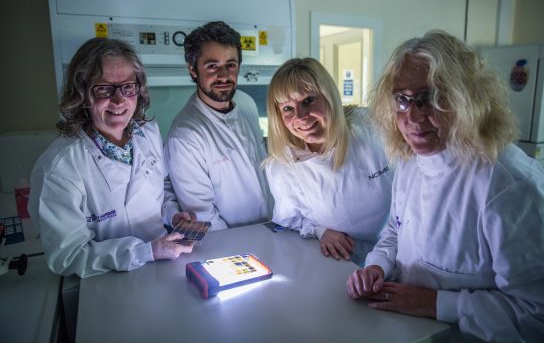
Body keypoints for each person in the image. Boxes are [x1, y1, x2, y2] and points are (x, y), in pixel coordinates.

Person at [346, 30, 544, 341]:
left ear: (467, 97)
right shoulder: (410, 162)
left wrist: (440, 304)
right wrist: (377, 266)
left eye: (431, 97)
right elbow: (395, 230)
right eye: (402, 100)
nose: (414, 117)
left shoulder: (509, 185)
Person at [29, 37, 194, 278]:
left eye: (128, 87)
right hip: (104, 283)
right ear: (83, 94)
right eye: (104, 88)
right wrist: (145, 251)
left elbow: (164, 187)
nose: (119, 100)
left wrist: (173, 214)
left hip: (164, 267)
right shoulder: (59, 167)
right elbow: (68, 256)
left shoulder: (149, 132)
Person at [264, 58, 393, 266]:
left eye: (308, 101)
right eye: (288, 108)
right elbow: (288, 223)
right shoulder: (282, 167)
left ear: (329, 97)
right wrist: (319, 231)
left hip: (399, 252)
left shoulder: (370, 128)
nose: (301, 117)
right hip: (342, 263)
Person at [164, 21, 272, 231]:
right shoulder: (185, 135)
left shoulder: (246, 103)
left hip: (272, 229)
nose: (223, 75)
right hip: (232, 246)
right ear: (193, 70)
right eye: (212, 66)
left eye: (230, 65)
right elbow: (205, 219)